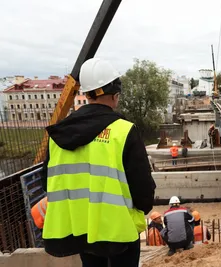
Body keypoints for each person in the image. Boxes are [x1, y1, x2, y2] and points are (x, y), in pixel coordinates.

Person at [40, 58, 156, 267]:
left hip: (81, 228)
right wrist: (141, 208)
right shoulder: (123, 131)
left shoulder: (58, 135)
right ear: (114, 95)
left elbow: (46, 183)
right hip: (119, 231)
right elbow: (142, 189)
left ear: (87, 93)